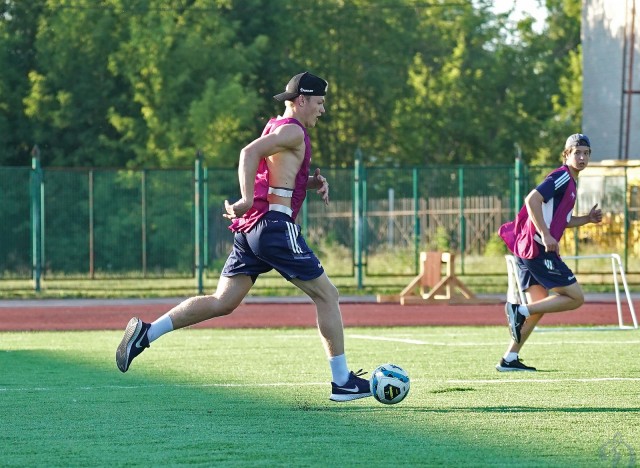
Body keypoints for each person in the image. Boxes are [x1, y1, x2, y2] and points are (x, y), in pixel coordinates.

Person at [115, 71, 372, 402]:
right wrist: (246, 198)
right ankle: (342, 382)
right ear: (303, 100)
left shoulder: (278, 128)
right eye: (320, 103)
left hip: (252, 229)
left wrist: (306, 183)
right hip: (273, 228)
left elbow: (277, 174)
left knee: (223, 302)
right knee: (328, 295)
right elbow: (248, 154)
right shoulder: (293, 130)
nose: (323, 110)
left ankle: (147, 333)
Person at [496, 133, 603, 372]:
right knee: (576, 298)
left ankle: (509, 358)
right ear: (566, 154)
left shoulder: (572, 182)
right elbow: (532, 199)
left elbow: (561, 219)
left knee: (540, 306)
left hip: (528, 249)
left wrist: (586, 219)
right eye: (577, 152)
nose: (582, 157)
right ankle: (518, 309)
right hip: (538, 248)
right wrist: (545, 234)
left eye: (586, 153)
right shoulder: (562, 176)